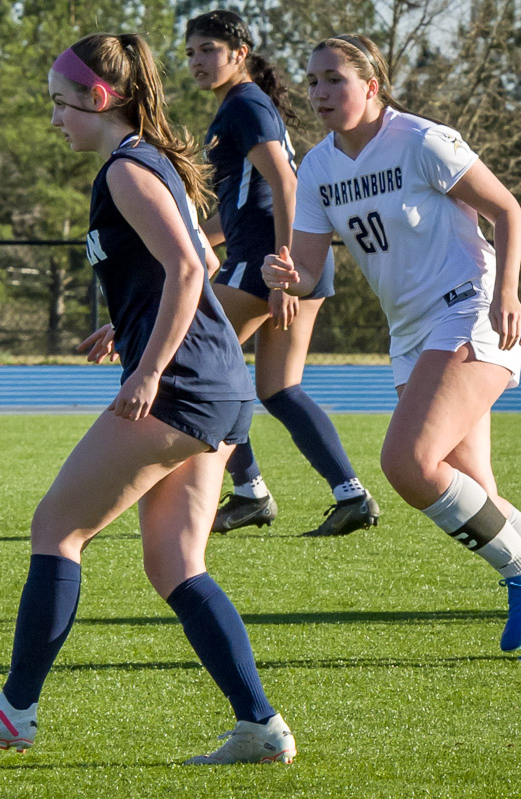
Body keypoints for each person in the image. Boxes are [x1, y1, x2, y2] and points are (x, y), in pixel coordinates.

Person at [0, 33, 296, 764]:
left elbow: (190, 268)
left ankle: (15, 711)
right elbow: (205, 258)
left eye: (60, 105)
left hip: (183, 386)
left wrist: (150, 366)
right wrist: (126, 321)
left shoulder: (126, 169)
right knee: (176, 564)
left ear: (99, 100)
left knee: (57, 527)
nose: (54, 119)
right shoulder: (149, 163)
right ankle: (260, 725)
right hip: (219, 385)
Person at [263, 34, 521, 652]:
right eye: (314, 82)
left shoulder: (421, 140)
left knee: (407, 463)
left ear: (371, 85)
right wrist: (284, 276)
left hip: (469, 309)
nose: (320, 93)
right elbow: (304, 262)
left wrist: (507, 293)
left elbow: (509, 211)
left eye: (335, 80)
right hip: (409, 331)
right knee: (473, 489)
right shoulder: (320, 166)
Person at [185, 10, 379, 537]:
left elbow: (287, 187)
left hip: (268, 261)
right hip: (284, 258)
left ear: (239, 53)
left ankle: (249, 491)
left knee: (195, 360)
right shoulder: (245, 106)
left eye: (208, 49)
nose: (197, 61)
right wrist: (201, 236)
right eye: (191, 52)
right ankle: (350, 494)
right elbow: (249, 199)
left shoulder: (244, 105)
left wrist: (284, 274)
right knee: (278, 388)